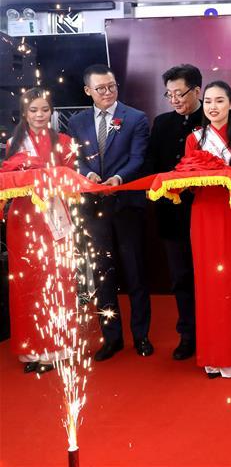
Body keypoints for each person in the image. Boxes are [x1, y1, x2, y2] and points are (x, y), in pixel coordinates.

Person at [68, 64, 151, 362]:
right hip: (93, 208)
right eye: (100, 88)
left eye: (112, 86)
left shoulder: (135, 118)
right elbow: (74, 158)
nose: (107, 92)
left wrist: (118, 179)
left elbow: (138, 158)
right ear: (87, 90)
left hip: (126, 204)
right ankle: (111, 337)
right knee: (102, 274)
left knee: (135, 271)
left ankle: (141, 336)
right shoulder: (76, 122)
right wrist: (87, 175)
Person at [184, 81, 231, 378]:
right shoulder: (194, 139)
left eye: (220, 100)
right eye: (209, 101)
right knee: (208, 286)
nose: (213, 107)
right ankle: (212, 357)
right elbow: (187, 179)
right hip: (204, 216)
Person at [2, 88, 74, 374]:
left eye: (45, 109)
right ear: (24, 112)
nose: (39, 115)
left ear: (52, 111)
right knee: (25, 281)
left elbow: (71, 178)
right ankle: (30, 347)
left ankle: (54, 347)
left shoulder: (64, 142)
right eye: (33, 110)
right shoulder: (13, 143)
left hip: (53, 216)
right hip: (22, 218)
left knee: (54, 279)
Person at [144, 64, 203, 361]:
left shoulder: (212, 119)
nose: (175, 100)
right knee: (181, 277)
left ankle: (213, 331)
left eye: (180, 93)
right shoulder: (162, 123)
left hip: (206, 211)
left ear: (197, 91)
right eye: (169, 94)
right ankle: (188, 334)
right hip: (171, 214)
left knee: (209, 275)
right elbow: (151, 163)